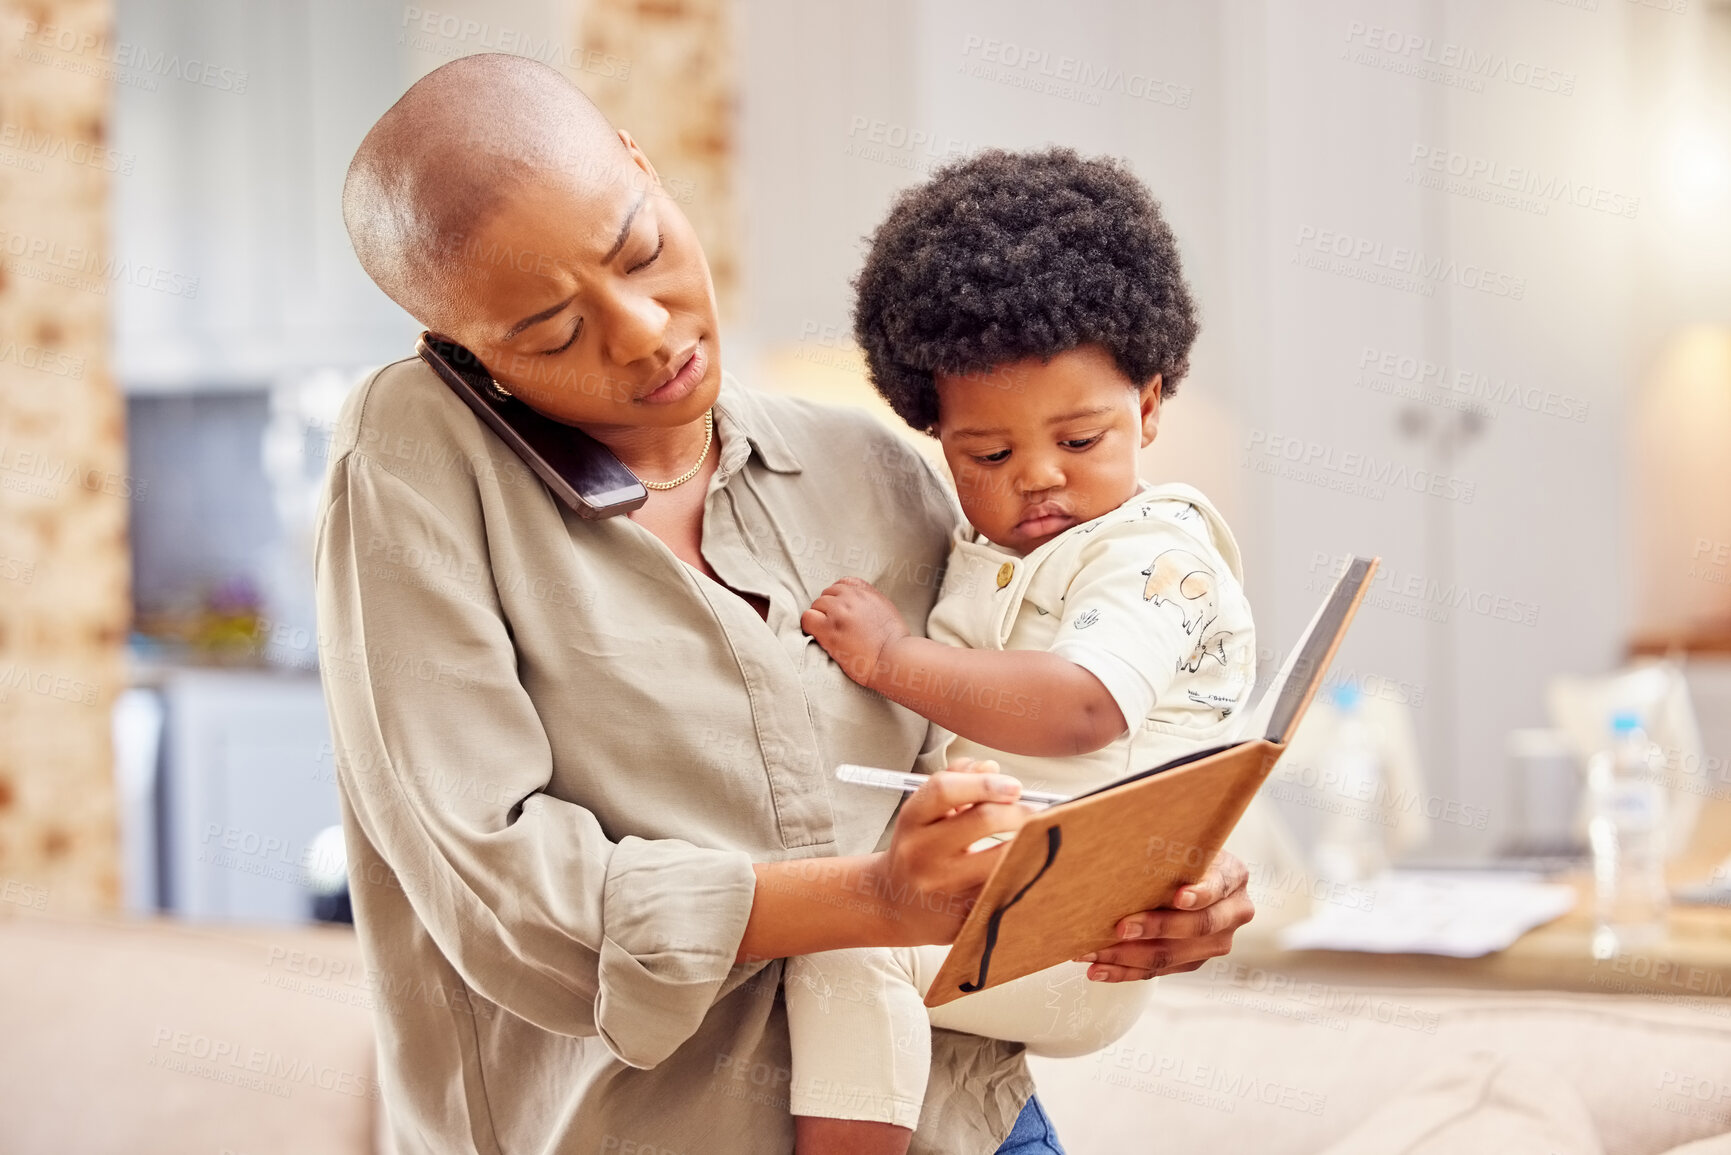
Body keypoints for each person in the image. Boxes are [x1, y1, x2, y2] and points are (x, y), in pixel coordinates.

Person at [321, 53, 1256, 1155]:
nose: (645, 332)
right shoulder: (418, 453)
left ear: (645, 167)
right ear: (459, 352)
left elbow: (1068, 725)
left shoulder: (873, 467)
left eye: (642, 250)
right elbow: (514, 898)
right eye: (552, 332)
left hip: (968, 1121)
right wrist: (871, 900)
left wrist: (1172, 877)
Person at [785, 149, 1257, 1153]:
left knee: (845, 953)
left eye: (1081, 441)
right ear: (935, 437)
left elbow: (1082, 703)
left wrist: (891, 659)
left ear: (1153, 404)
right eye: (988, 456)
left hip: (1086, 933)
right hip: (1008, 909)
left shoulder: (1155, 556)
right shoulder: (979, 551)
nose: (1037, 478)